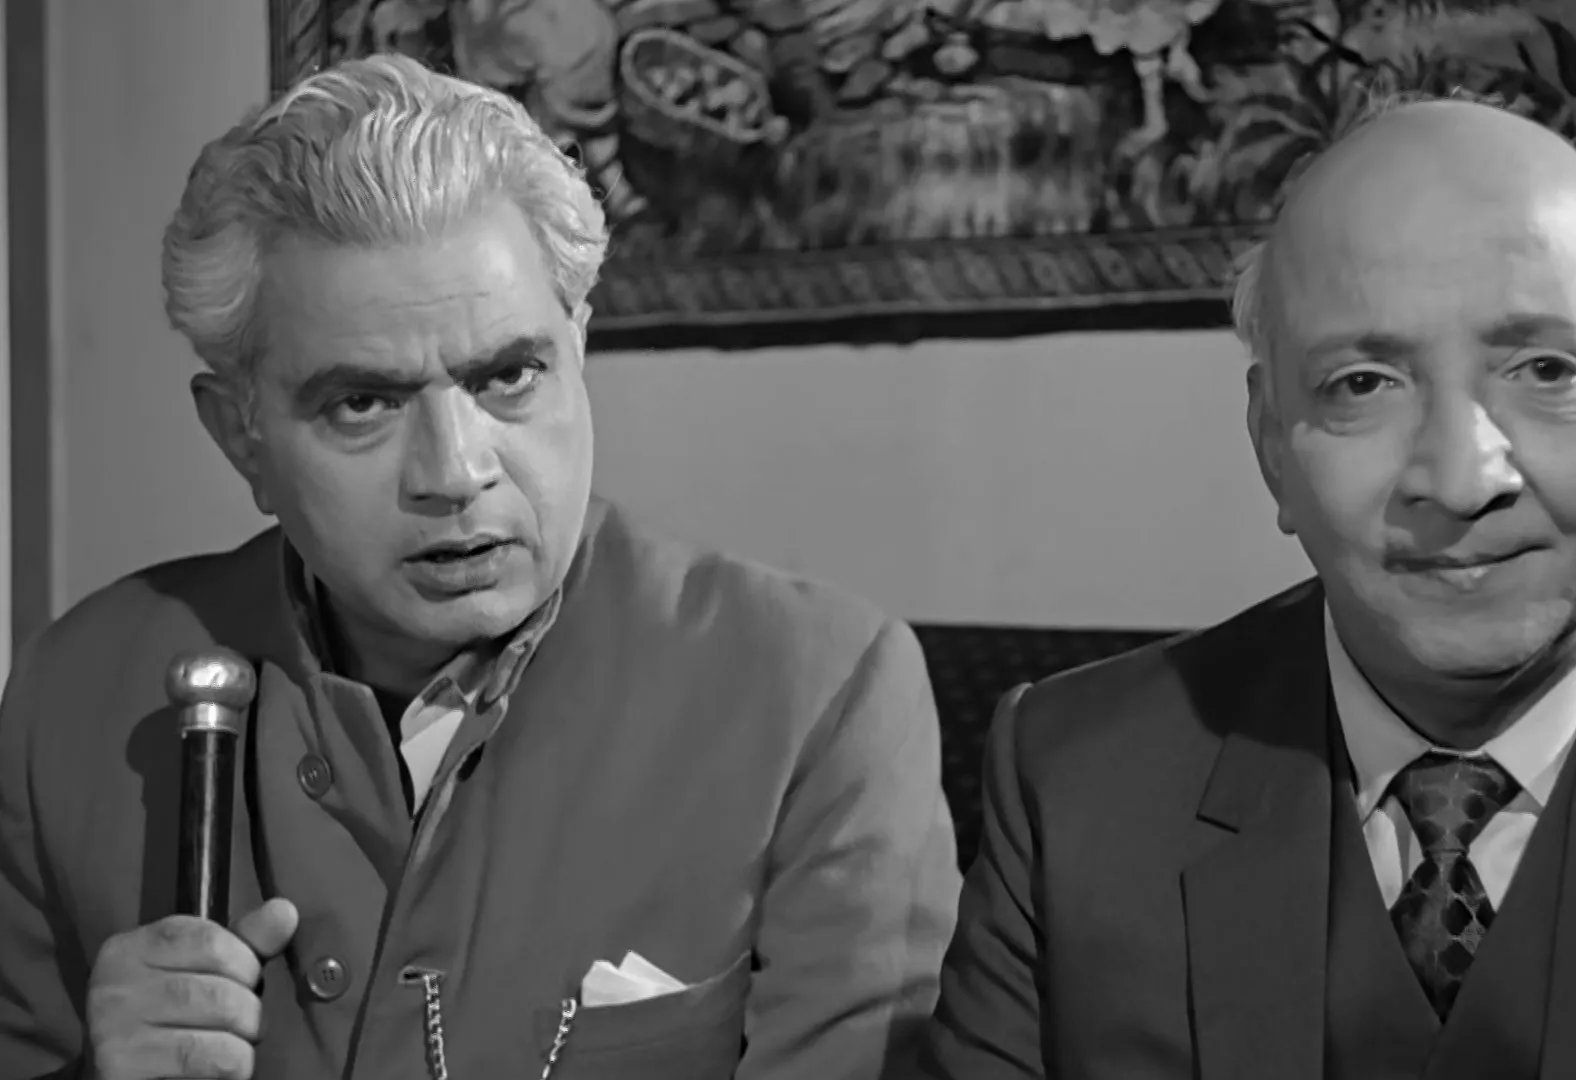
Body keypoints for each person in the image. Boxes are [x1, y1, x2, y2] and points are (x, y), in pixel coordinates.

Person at [911, 94, 1576, 1079]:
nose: (1462, 478)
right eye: (1363, 384)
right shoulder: (1075, 781)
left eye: (1546, 369)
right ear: (1271, 446)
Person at [0, 54, 959, 1080]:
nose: (456, 473)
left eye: (509, 376)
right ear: (241, 436)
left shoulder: (817, 696)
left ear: (577, 349)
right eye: (363, 403)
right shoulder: (77, 698)